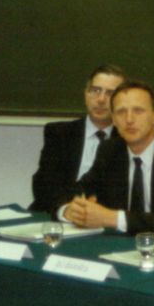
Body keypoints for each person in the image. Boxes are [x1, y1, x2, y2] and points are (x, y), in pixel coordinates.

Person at [52, 80, 154, 236]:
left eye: (138, 111)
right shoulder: (110, 151)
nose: (129, 119)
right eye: (121, 112)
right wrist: (68, 211)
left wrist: (111, 218)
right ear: (113, 119)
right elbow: (74, 191)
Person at [28, 64, 126, 213]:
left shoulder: (128, 139)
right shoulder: (59, 133)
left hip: (104, 217)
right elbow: (44, 186)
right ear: (86, 94)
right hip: (58, 213)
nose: (101, 99)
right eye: (95, 90)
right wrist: (66, 210)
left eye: (110, 93)